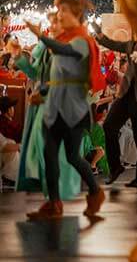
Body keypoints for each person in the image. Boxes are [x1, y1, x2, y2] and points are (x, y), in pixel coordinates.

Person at [25, 0, 106, 220]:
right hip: (53, 108)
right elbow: (55, 77)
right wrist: (41, 92)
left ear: (76, 14)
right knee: (49, 155)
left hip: (73, 109)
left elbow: (66, 52)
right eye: (58, 11)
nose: (59, 15)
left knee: (72, 156)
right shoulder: (62, 40)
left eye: (63, 11)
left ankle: (95, 191)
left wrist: (40, 35)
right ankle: (54, 203)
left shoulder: (81, 40)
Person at [13, 12, 84, 200]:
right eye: (51, 22)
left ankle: (60, 197)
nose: (52, 26)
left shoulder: (71, 47)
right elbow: (35, 73)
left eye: (57, 22)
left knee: (58, 155)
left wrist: (44, 95)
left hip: (60, 107)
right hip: (42, 108)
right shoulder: (44, 48)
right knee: (40, 151)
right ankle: (51, 198)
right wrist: (19, 57)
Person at [95, 29, 137, 189]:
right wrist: (101, 36)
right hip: (126, 93)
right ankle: (116, 166)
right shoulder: (132, 44)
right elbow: (114, 44)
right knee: (109, 125)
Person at [0, 96, 20, 183]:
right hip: (9, 172)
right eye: (12, 107)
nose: (13, 109)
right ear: (8, 110)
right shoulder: (10, 125)